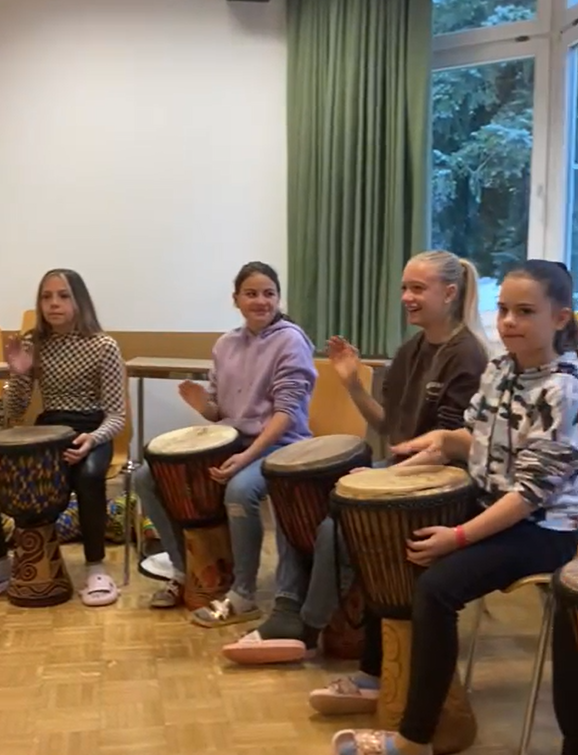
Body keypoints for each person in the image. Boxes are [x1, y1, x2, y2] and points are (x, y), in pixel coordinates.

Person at [332, 259, 578, 755]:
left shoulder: (563, 390)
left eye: (525, 311)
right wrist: (397, 472)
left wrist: (458, 537)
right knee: (391, 544)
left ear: (560, 318)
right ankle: (380, 677)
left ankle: (415, 736)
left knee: (437, 588)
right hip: (491, 502)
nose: (509, 321)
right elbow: (472, 439)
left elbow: (529, 494)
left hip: (544, 528)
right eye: (503, 309)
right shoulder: (501, 370)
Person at [223, 250, 488, 670]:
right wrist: (353, 385)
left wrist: (380, 478)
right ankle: (289, 606)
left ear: (450, 293)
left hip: (444, 484)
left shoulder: (467, 355)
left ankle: (307, 626)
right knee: (301, 494)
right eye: (404, 287)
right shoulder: (411, 350)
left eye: (418, 288)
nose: (406, 297)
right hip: (404, 472)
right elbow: (387, 426)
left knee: (335, 521)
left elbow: (449, 448)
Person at [134, 261, 317, 627]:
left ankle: (243, 594)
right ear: (236, 299)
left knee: (240, 490)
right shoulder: (225, 344)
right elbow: (220, 413)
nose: (261, 301)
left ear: (279, 298)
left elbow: (285, 414)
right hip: (233, 442)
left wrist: (247, 457)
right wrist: (203, 405)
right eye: (251, 293)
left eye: (269, 293)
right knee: (145, 477)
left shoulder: (291, 340)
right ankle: (183, 571)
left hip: (281, 443)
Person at [4, 268, 126, 607]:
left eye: (63, 296)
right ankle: (18, 561)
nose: (53, 303)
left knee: (88, 477)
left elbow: (117, 415)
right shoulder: (33, 343)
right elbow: (16, 411)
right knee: (17, 475)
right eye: (46, 297)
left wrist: (93, 439)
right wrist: (18, 374)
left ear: (79, 301)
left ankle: (95, 566)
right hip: (50, 427)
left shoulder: (103, 345)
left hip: (92, 427)